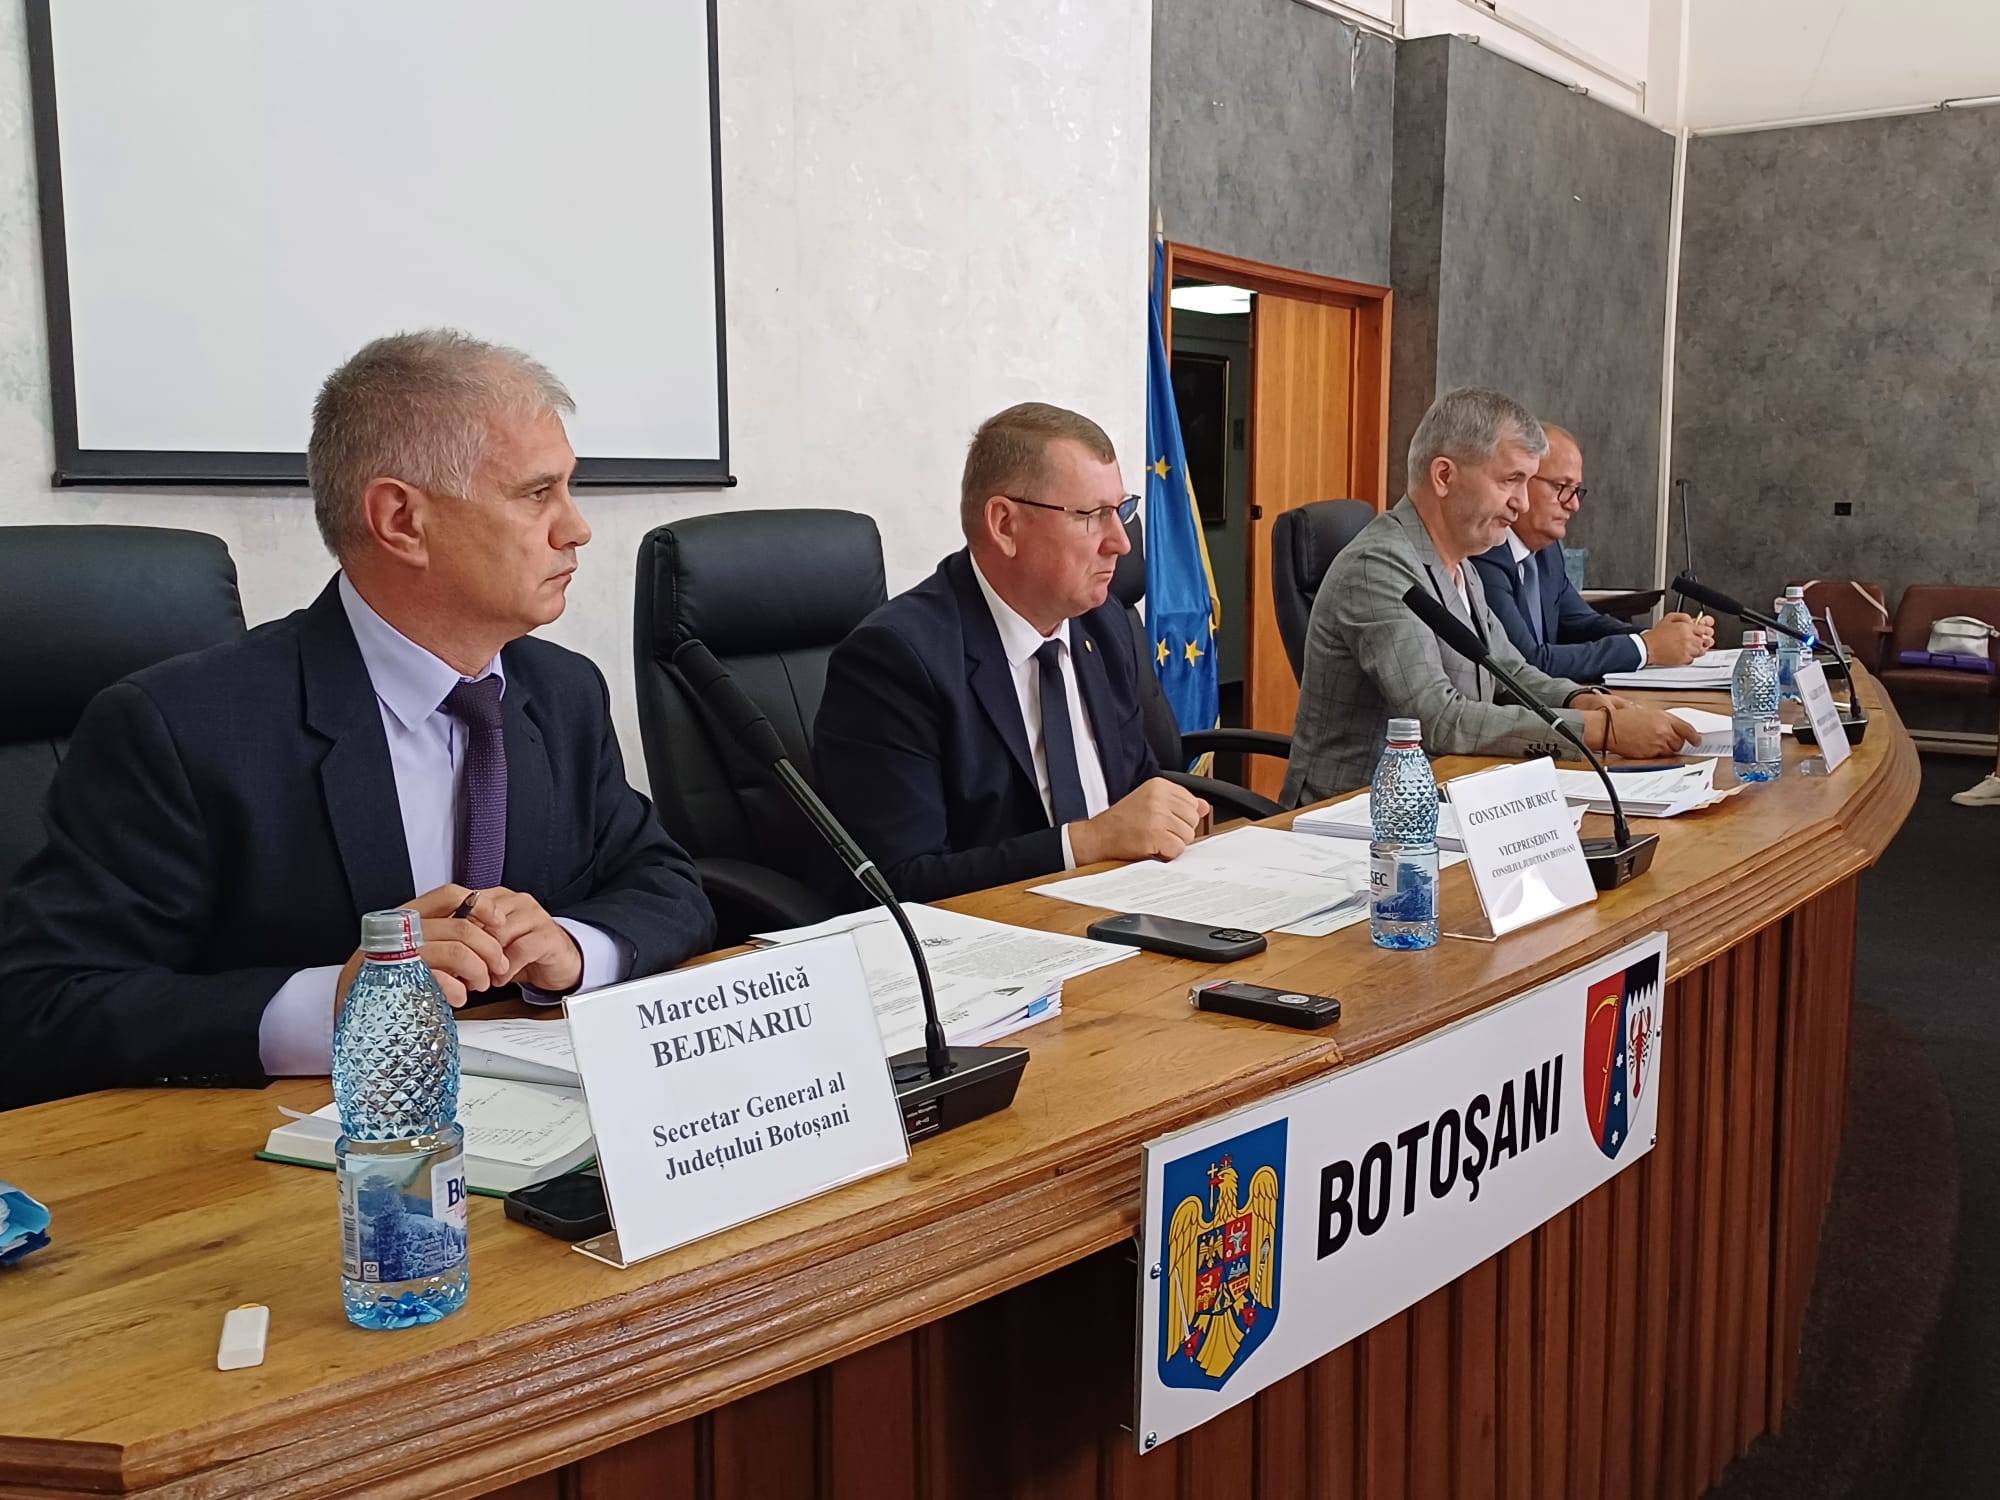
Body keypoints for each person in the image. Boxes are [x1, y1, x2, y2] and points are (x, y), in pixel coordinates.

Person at [0, 331, 714, 1109]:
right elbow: (45, 1007)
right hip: (280, 1150)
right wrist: (335, 1004)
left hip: (530, 1128)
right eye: (537, 494)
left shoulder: (563, 691)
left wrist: (573, 948)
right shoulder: (176, 728)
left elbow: (666, 884)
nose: (576, 528)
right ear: (401, 520)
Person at [814, 402, 1208, 902]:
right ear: (1004, 524)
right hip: (991, 935)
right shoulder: (896, 659)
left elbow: (1135, 790)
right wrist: (1084, 843)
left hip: (1125, 907)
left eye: (1121, 510)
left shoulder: (1105, 624)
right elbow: (897, 881)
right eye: (1093, 516)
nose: (1120, 543)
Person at [1282, 387, 1698, 804]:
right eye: (1511, 480)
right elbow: (1438, 718)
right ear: (1444, 476)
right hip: (1356, 813)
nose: (1521, 503)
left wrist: (1583, 700)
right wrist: (1599, 732)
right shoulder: (1378, 567)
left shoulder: (1460, 562)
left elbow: (1509, 672)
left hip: (1451, 795)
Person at [1469, 423, 1714, 681]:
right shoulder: (1485, 554)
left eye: (1576, 490)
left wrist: (1662, 638)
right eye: (1561, 486)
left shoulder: (1548, 552)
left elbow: (1582, 623)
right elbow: (1527, 664)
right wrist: (1648, 648)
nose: (1573, 504)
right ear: (1519, 481)